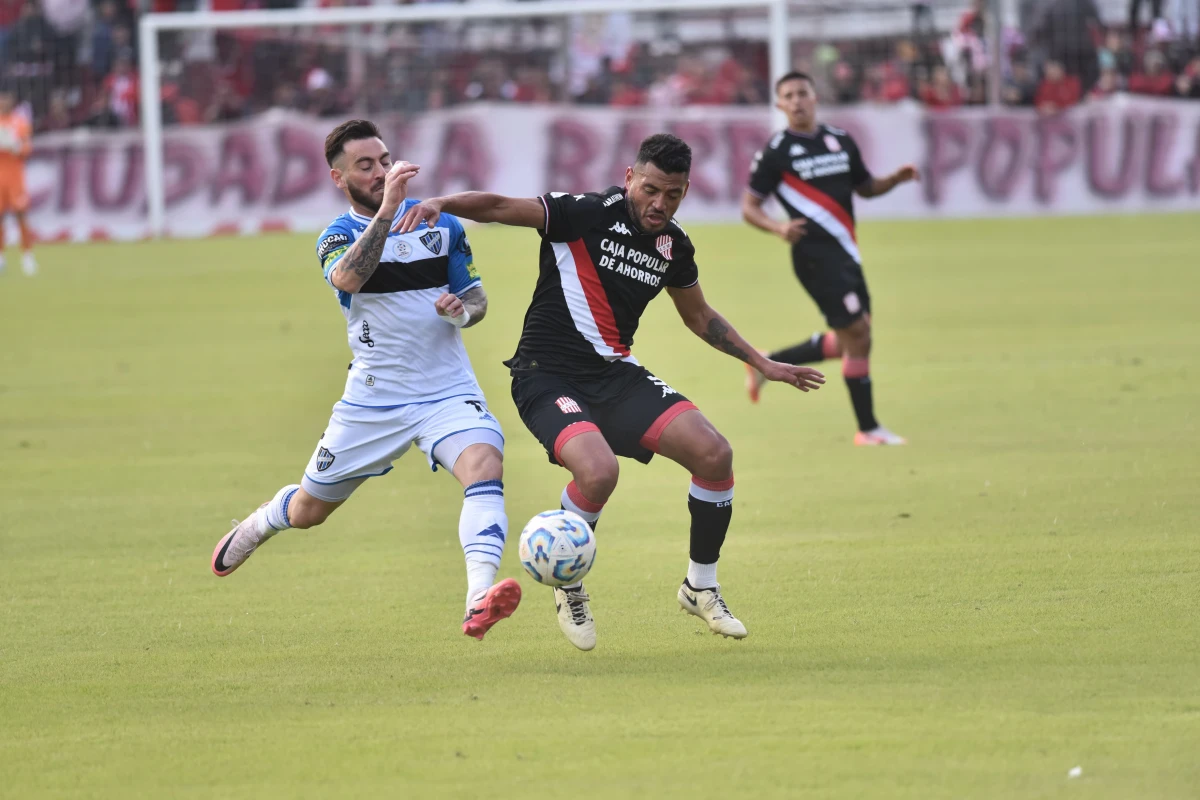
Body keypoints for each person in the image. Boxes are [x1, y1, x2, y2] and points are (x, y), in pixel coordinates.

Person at [395, 134, 826, 651]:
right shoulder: (584, 213)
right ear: (629, 178)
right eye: (651, 189)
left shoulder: (674, 246)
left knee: (715, 455)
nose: (660, 203)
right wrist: (442, 203)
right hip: (545, 375)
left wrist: (762, 363)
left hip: (615, 375)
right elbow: (501, 206)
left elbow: (699, 317)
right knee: (599, 471)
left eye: (674, 194)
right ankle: (569, 581)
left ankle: (700, 587)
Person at [210, 119, 521, 642]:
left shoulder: (442, 226)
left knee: (486, 463)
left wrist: (459, 310)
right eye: (365, 166)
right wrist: (386, 211)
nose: (380, 171)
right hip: (374, 401)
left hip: (446, 390)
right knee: (310, 512)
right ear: (339, 178)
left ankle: (477, 600)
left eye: (384, 160)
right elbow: (349, 278)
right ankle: (263, 522)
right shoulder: (338, 236)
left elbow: (477, 300)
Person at [741, 72, 918, 446]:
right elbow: (749, 207)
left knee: (854, 339)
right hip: (813, 257)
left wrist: (895, 180)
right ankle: (868, 429)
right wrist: (777, 228)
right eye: (788, 96)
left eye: (802, 93)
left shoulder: (840, 140)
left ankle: (764, 360)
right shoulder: (776, 152)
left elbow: (866, 188)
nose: (797, 101)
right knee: (858, 334)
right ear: (779, 105)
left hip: (847, 253)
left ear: (814, 96)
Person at [0, 88, 35, 276]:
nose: (3, 102)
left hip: (15, 178)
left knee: (21, 215)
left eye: (6, 98)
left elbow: (27, 149)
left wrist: (15, 147)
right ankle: (1, 257)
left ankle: (27, 256)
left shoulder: (19, 123)